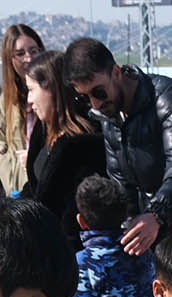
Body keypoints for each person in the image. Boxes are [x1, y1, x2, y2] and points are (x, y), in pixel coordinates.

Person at [66, 38, 172, 273]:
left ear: (116, 72)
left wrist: (155, 216)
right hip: (156, 238)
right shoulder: (110, 116)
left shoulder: (169, 98)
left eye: (99, 92)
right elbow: (121, 184)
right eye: (84, 97)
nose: (95, 103)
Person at [21, 52, 107, 240]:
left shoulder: (82, 146)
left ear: (52, 89)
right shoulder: (44, 132)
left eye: (31, 89)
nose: (29, 100)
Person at [0, 25, 46, 194]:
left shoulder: (53, 94)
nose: (29, 59)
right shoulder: (6, 99)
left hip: (44, 180)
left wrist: (36, 158)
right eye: (20, 54)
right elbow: (0, 139)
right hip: (15, 185)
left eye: (34, 51)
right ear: (10, 59)